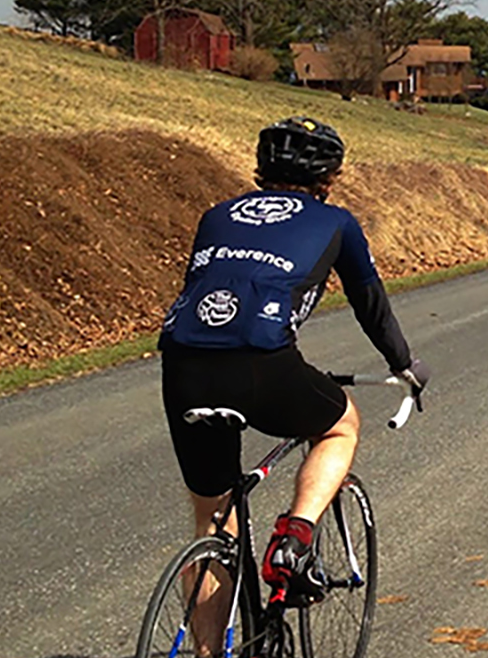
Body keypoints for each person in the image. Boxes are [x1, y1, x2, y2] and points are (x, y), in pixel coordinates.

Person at [159, 116, 428, 613]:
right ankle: (295, 537)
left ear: (262, 168)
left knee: (213, 522)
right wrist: (404, 363)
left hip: (182, 365)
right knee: (340, 424)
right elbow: (369, 302)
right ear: (329, 178)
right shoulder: (336, 222)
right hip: (263, 363)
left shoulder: (216, 215)